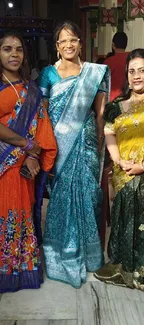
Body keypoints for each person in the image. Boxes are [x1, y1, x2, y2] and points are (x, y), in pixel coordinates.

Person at [38, 21, 110, 288]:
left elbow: (100, 113)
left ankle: (90, 256)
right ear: (57, 46)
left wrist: (101, 141)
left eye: (73, 40)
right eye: (63, 41)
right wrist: (46, 145)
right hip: (59, 143)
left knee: (89, 193)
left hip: (87, 141)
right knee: (62, 196)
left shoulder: (93, 73)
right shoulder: (48, 73)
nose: (69, 45)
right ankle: (63, 254)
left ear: (81, 43)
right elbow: (43, 113)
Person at [94, 48, 144, 295]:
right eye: (132, 71)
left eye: (142, 70)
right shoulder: (117, 105)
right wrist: (118, 160)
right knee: (124, 216)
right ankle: (125, 267)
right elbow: (109, 132)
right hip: (122, 172)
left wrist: (143, 166)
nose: (136, 76)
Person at [0, 31, 57, 292]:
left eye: (18, 49)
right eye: (7, 48)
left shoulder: (31, 90)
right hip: (4, 161)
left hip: (22, 166)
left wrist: (33, 155)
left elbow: (42, 125)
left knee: (20, 213)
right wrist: (25, 145)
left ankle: (18, 269)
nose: (14, 54)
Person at [104, 32, 128, 101]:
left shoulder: (108, 61)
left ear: (113, 45)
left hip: (112, 99)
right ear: (126, 45)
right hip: (128, 97)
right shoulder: (131, 59)